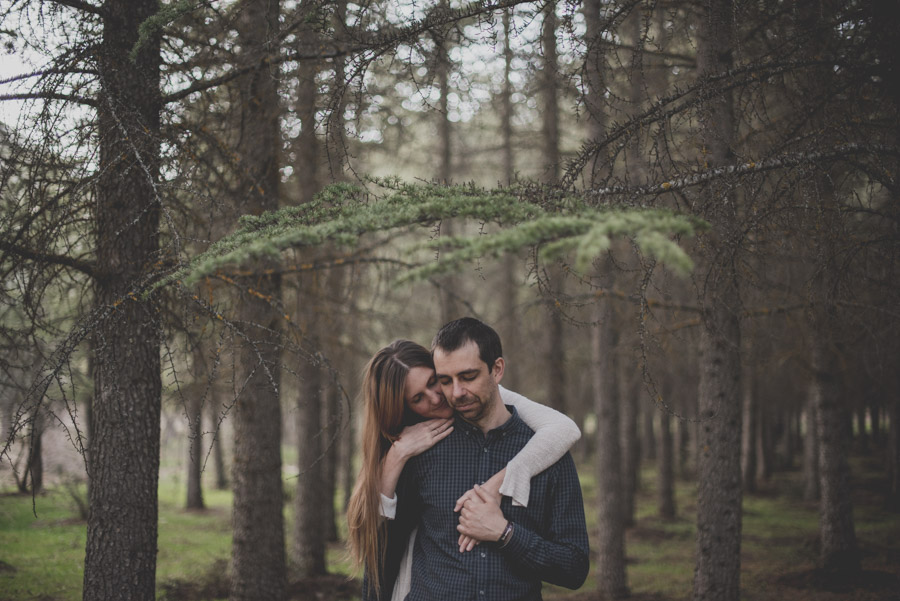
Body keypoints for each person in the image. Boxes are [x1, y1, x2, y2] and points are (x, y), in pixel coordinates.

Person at [346, 339, 581, 601]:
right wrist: (397, 453)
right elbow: (382, 554)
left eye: (434, 381)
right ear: (406, 409)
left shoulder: (521, 426)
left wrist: (502, 513)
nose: (438, 398)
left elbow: (564, 429)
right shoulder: (417, 452)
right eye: (417, 398)